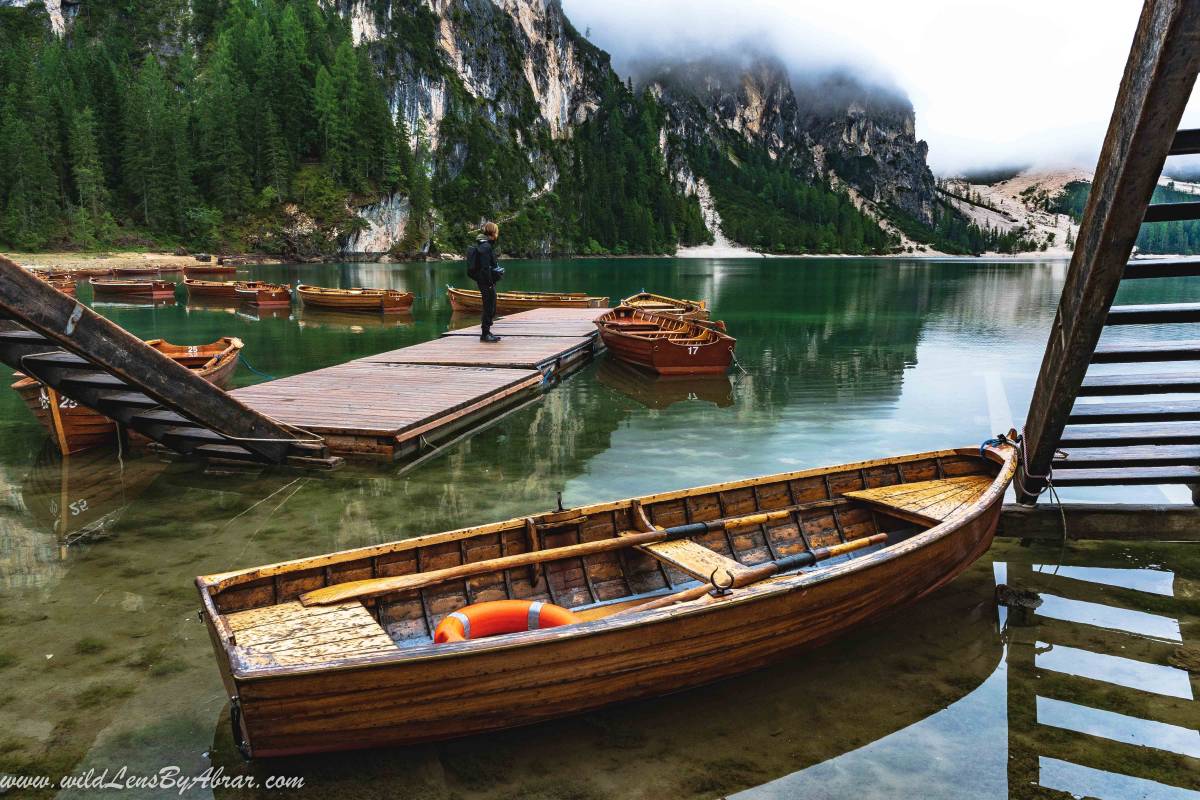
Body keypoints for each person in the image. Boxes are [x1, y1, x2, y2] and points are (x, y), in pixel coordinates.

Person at [471, 221, 504, 342]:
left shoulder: (484, 245)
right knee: (489, 306)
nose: (497, 233)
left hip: (484, 280)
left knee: (490, 305)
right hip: (486, 281)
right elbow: (485, 267)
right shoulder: (486, 247)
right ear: (493, 232)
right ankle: (485, 334)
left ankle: (487, 332)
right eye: (496, 231)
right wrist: (490, 281)